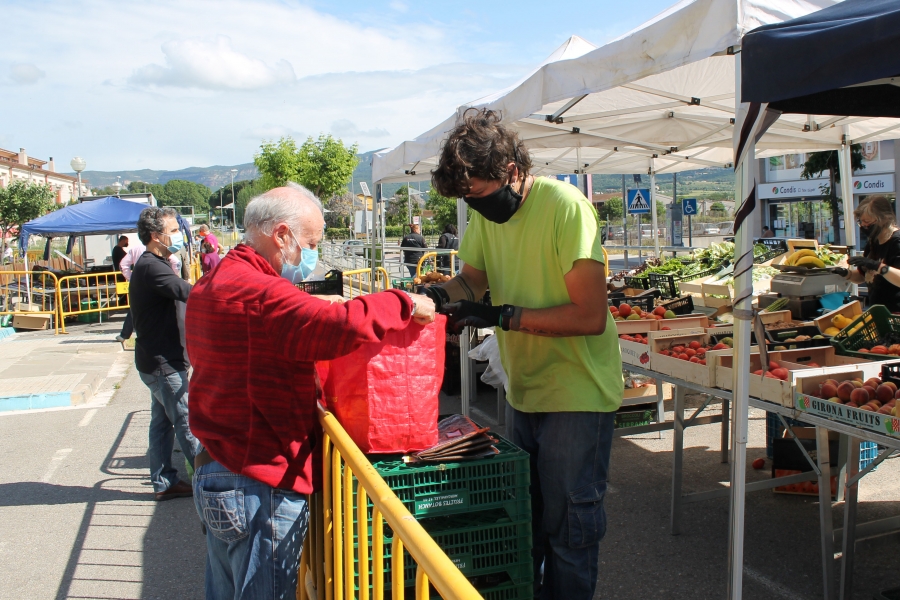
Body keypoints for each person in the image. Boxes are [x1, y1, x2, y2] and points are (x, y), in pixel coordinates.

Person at [185, 183, 435, 599]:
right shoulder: (260, 293)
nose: (311, 256)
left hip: (217, 467)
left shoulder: (214, 283)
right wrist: (403, 302)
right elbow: (338, 327)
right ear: (280, 235)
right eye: (311, 243)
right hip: (257, 480)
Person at [422, 108, 622, 600]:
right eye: (468, 199)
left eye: (480, 195)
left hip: (577, 392)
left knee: (570, 531)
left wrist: (503, 317)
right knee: (527, 523)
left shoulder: (565, 207)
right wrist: (434, 300)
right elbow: (473, 277)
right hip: (525, 388)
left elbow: (589, 315)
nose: (477, 207)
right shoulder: (488, 216)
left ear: (511, 169)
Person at [130, 206, 201, 501]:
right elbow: (189, 293)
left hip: (156, 358)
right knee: (185, 420)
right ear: (156, 236)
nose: (178, 236)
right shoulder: (152, 267)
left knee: (161, 423)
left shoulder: (155, 263)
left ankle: (164, 482)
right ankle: (210, 483)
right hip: (163, 363)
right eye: (173, 231)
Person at [116, 239, 181, 348]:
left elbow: (123, 265)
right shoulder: (159, 249)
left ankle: (125, 334)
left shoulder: (135, 250)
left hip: (140, 283)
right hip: (159, 282)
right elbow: (176, 262)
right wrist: (171, 276)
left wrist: (131, 278)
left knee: (136, 309)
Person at [841, 195, 900, 311]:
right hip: (878, 312)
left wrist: (878, 266)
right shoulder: (874, 241)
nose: (863, 226)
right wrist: (846, 274)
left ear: (883, 219)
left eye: (867, 222)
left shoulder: (896, 242)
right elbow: (863, 276)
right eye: (861, 222)